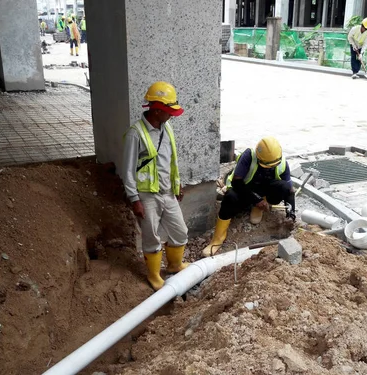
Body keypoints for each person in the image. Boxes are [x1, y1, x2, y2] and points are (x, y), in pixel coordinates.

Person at [122, 81, 189, 291]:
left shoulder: (166, 128)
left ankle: (175, 265)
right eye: (168, 112)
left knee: (180, 231)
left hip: (168, 192)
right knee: (151, 236)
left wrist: (177, 185)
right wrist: (134, 200)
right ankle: (153, 275)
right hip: (146, 196)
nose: (171, 116)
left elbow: (171, 160)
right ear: (158, 110)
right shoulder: (136, 134)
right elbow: (127, 170)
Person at [202, 137, 296, 257]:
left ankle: (260, 206)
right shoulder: (248, 156)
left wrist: (291, 215)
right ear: (259, 158)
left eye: (273, 165)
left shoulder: (281, 162)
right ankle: (217, 239)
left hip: (264, 193)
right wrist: (256, 200)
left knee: (283, 187)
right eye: (267, 166)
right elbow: (237, 183)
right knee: (230, 197)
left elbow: (290, 191)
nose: (271, 168)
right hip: (245, 191)